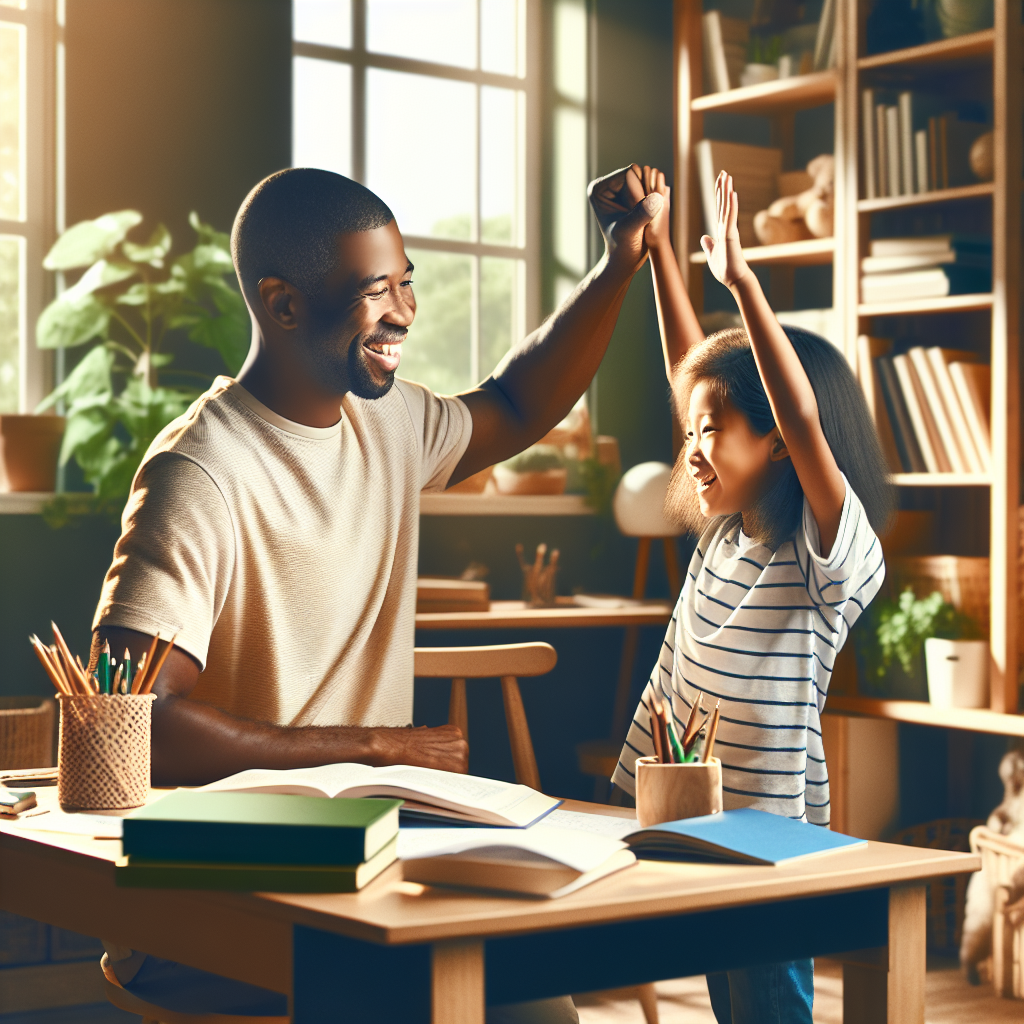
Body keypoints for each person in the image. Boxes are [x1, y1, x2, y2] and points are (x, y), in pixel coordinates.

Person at [92, 165, 662, 1024]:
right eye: (375, 291)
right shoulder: (199, 473)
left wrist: (617, 264)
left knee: (539, 1004)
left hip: (368, 865)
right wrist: (373, 748)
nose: (403, 312)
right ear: (283, 305)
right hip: (219, 895)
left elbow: (515, 401)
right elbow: (141, 726)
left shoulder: (388, 424)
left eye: (406, 285)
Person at [610, 168, 895, 1024]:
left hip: (768, 837)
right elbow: (685, 368)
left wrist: (743, 281)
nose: (694, 449)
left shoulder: (823, 556)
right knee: (729, 998)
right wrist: (659, 249)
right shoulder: (723, 534)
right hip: (694, 809)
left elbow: (802, 417)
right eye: (691, 431)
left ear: (772, 442)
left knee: (768, 1001)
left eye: (717, 431)